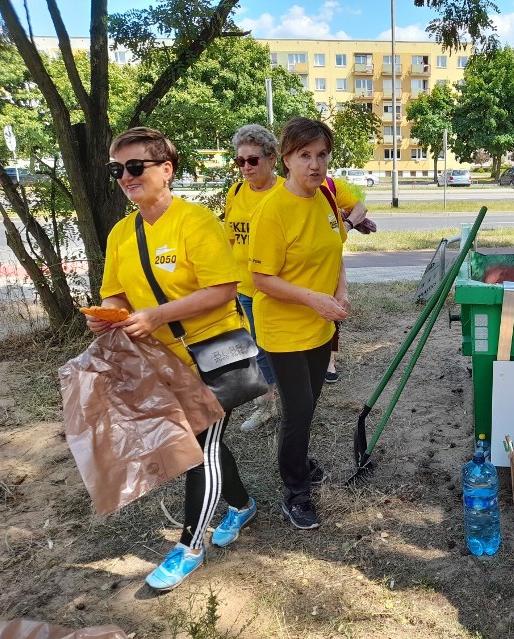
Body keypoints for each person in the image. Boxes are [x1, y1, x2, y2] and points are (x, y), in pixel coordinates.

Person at [87, 127, 257, 591]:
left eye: (135, 167)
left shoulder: (196, 221)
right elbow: (115, 294)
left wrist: (157, 314)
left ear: (167, 169)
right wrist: (109, 316)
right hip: (161, 361)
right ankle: (241, 505)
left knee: (198, 451)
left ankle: (190, 545)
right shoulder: (122, 232)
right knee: (207, 441)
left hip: (212, 354)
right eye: (117, 170)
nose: (125, 176)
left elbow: (224, 288)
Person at [248, 116, 349, 530]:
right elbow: (261, 279)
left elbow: (336, 248)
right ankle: (296, 491)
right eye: (304, 156)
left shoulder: (325, 197)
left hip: (321, 324)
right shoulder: (273, 211)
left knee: (309, 405)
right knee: (298, 409)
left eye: (322, 155)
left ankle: (300, 459)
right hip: (285, 329)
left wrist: (342, 291)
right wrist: (313, 299)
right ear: (286, 159)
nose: (315, 165)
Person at [224, 124, 281, 431]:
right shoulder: (235, 192)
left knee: (283, 348)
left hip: (279, 288)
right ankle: (267, 405)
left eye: (253, 160)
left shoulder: (287, 192)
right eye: (240, 161)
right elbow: (229, 239)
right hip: (246, 287)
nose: (245, 167)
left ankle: (300, 400)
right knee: (257, 348)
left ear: (272, 159)